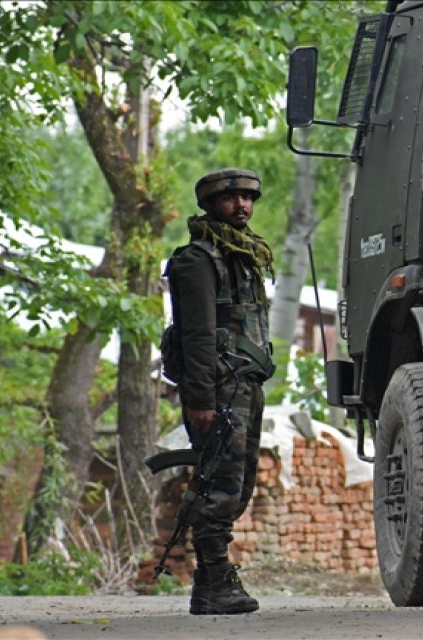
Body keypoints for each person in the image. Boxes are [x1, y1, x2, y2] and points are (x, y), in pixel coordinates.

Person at [165, 168, 276, 615]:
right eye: (232, 198)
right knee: (219, 485)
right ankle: (216, 576)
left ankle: (209, 586)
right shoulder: (198, 260)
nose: (242, 205)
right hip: (219, 388)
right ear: (210, 205)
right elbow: (197, 335)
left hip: (246, 384)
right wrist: (201, 401)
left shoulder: (244, 256)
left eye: (248, 198)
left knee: (239, 485)